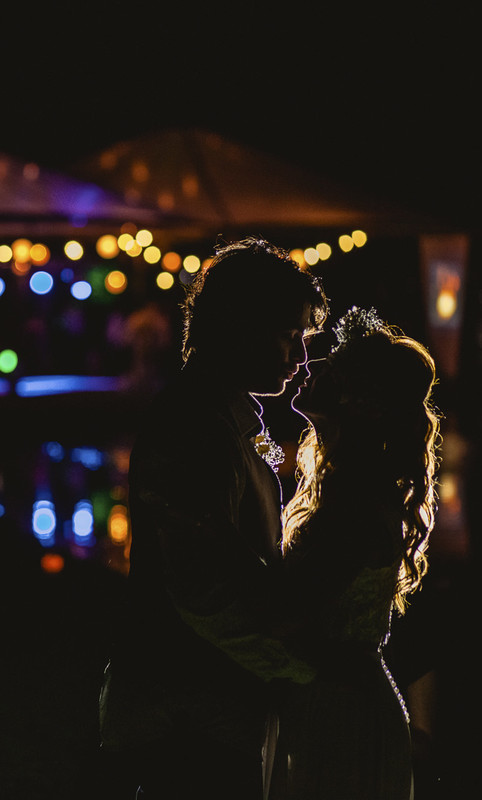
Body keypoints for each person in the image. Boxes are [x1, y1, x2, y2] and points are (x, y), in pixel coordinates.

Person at [99, 237, 330, 799]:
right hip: (189, 713)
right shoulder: (194, 425)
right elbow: (201, 586)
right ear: (240, 326)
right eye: (289, 335)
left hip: (208, 706)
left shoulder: (226, 413)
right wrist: (295, 668)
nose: (300, 358)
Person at [270, 306, 441, 799]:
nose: (309, 367)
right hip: (336, 704)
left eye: (330, 368)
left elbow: (294, 612)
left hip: (343, 716)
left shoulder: (358, 501)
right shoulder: (348, 487)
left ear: (355, 399)